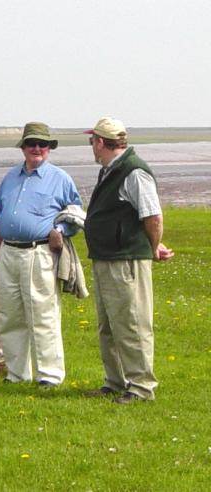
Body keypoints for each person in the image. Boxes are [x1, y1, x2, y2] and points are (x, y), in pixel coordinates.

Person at [83, 117, 174, 404]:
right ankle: (115, 381)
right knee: (109, 324)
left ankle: (141, 387)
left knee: (132, 323)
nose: (92, 147)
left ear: (100, 142)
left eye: (92, 141)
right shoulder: (112, 170)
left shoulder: (133, 172)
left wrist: (152, 246)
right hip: (108, 257)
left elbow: (152, 216)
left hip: (125, 261)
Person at [0, 122, 82, 388]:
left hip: (38, 252)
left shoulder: (60, 178)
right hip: (9, 252)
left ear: (50, 148)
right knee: (10, 315)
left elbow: (76, 214)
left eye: (42, 144)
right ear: (23, 148)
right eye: (32, 144)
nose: (37, 149)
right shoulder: (10, 177)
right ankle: (17, 374)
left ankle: (50, 376)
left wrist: (61, 230)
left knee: (43, 314)